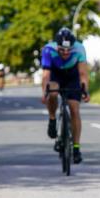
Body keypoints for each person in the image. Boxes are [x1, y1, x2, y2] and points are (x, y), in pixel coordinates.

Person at [40, 27, 90, 164]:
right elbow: (46, 76)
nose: (66, 53)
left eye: (69, 50)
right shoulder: (48, 50)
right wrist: (45, 92)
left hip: (72, 76)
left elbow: (83, 74)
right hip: (56, 74)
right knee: (53, 93)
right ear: (57, 46)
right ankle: (52, 119)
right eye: (62, 50)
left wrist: (85, 90)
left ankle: (76, 148)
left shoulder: (79, 49)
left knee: (74, 109)